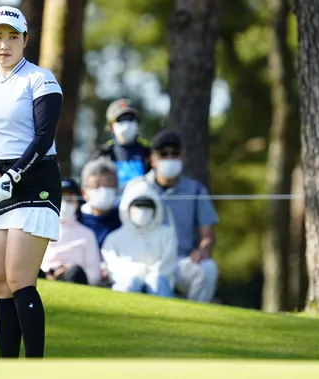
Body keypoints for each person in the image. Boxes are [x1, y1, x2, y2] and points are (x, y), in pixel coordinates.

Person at [0, 5, 63, 359]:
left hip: (36, 180)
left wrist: (14, 174)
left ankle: (34, 367)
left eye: (12, 37)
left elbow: (43, 136)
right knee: (0, 283)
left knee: (20, 278)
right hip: (1, 184)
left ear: (25, 39)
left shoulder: (40, 79)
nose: (4, 44)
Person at [125, 130, 219, 303]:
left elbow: (207, 234)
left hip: (180, 262)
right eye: (163, 154)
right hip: (143, 261)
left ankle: (194, 316)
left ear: (183, 157)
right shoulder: (136, 187)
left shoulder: (196, 190)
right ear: (153, 159)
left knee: (208, 269)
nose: (169, 158)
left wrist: (203, 249)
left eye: (174, 154)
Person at [101, 179, 177, 297]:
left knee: (156, 282)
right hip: (126, 283)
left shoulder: (167, 235)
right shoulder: (114, 238)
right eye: (137, 206)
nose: (142, 211)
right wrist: (137, 273)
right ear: (127, 207)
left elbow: (167, 264)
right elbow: (113, 266)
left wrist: (149, 275)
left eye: (147, 206)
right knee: (130, 283)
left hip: (157, 285)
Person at [40, 178, 101, 286]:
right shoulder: (39, 230)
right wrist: (50, 273)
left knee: (75, 272)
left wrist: (68, 269)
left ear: (78, 202)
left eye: (69, 199)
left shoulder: (87, 234)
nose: (64, 203)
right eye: (60, 198)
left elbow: (95, 275)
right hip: (45, 277)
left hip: (74, 280)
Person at [92, 98, 151, 190]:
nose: (127, 123)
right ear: (111, 126)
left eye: (131, 119)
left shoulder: (148, 152)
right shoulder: (103, 154)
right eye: (121, 119)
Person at [79, 157, 122, 249]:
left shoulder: (124, 219)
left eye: (108, 185)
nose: (103, 190)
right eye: (96, 185)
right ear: (84, 192)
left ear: (116, 189)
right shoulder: (77, 220)